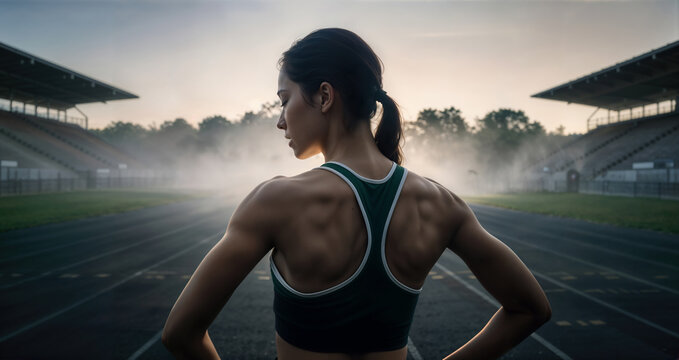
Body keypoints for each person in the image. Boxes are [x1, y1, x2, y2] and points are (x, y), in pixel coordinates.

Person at [162, 28, 551, 360]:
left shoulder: (275, 201)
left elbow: (180, 333)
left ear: (325, 97)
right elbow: (530, 309)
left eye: (284, 100)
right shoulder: (440, 204)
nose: (280, 121)